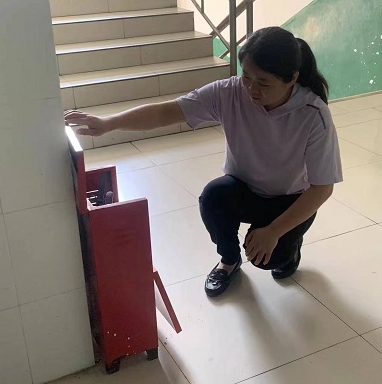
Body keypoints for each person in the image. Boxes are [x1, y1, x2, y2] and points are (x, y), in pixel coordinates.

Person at [65, 27, 343, 298]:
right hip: (244, 189)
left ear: (292, 79)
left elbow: (322, 188)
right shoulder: (229, 93)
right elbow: (167, 112)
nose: (251, 88)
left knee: (269, 259)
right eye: (246, 76)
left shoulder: (313, 114)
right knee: (213, 197)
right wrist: (109, 123)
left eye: (263, 82)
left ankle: (290, 249)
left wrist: (273, 232)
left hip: (289, 200)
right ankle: (229, 261)